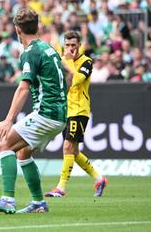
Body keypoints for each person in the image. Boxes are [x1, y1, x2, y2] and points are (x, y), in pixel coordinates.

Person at [0, 7, 67, 214]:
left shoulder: (30, 52)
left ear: (17, 30)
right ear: (36, 27)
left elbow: (23, 87)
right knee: (23, 151)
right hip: (60, 114)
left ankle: (7, 199)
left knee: (4, 144)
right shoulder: (49, 48)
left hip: (46, 113)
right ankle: (38, 203)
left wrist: (9, 119)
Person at [45, 31, 108, 198]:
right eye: (68, 45)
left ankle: (61, 187)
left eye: (74, 45)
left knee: (67, 147)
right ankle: (99, 179)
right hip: (66, 110)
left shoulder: (86, 62)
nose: (71, 48)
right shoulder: (62, 61)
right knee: (73, 151)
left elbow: (77, 80)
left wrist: (69, 61)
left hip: (79, 110)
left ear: (79, 45)